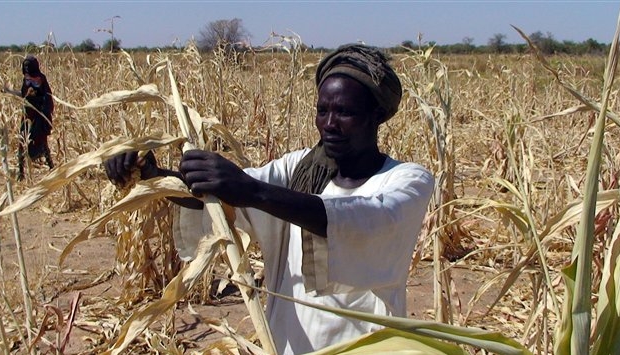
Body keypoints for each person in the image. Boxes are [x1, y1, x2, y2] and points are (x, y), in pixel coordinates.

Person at [105, 43, 435, 354]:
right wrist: (153, 174)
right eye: (322, 110)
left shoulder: (406, 181)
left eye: (345, 112)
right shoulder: (298, 170)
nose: (329, 124)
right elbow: (222, 203)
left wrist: (251, 190)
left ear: (376, 115)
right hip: (288, 345)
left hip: (367, 346)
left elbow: (363, 220)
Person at [17, 55, 55, 180]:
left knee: (41, 140)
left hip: (39, 113)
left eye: (29, 66)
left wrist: (44, 109)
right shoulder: (25, 79)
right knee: (22, 139)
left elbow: (47, 96)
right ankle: (20, 172)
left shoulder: (41, 78)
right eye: (25, 66)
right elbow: (23, 94)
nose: (27, 68)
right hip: (27, 113)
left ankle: (51, 166)